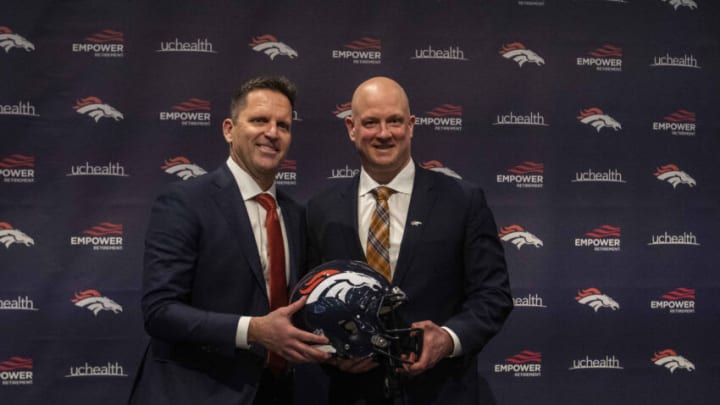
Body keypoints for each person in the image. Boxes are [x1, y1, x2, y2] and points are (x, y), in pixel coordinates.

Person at [305, 76, 512, 405]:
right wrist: (332, 352)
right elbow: (310, 302)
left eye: (395, 121)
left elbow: (493, 296)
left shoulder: (462, 201)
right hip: (352, 395)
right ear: (351, 128)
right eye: (371, 122)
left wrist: (447, 339)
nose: (384, 133)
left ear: (412, 125)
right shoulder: (320, 210)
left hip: (442, 392)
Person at [128, 75, 331, 405]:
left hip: (277, 392)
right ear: (228, 129)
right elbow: (160, 311)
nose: (272, 133)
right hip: (195, 393)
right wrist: (252, 330)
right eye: (259, 120)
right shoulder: (185, 202)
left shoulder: (295, 214)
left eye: (283, 125)